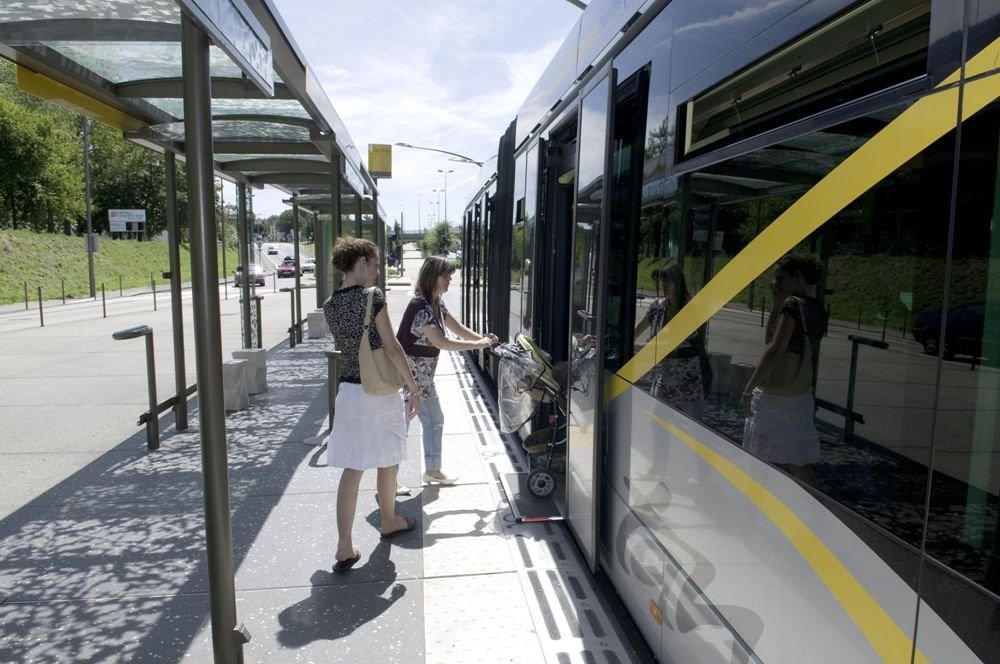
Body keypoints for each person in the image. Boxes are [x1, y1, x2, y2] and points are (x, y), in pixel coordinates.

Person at [324, 237, 422, 572]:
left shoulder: (331, 304)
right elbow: (392, 347)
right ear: (362, 261)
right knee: (387, 459)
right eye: (376, 264)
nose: (378, 271)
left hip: (349, 392)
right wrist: (413, 386)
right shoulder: (372, 297)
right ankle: (389, 520)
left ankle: (344, 545)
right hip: (379, 391)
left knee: (353, 468)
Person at [397, 256, 496, 485]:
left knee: (435, 420)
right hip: (405, 380)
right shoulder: (420, 306)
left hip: (423, 381)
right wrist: (478, 345)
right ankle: (388, 481)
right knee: (399, 430)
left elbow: (457, 328)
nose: (450, 280)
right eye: (446, 276)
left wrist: (483, 339)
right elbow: (442, 342)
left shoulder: (436, 303)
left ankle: (432, 469)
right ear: (433, 277)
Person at [741, 254, 828, 482]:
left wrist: (749, 388)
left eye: (781, 278)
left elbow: (774, 346)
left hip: (775, 396)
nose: (777, 283)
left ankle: (757, 504)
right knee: (796, 458)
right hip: (799, 395)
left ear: (797, 276)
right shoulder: (818, 308)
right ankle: (813, 506)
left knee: (759, 455)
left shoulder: (791, 305)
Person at [634, 263, 707, 420]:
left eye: (667, 282)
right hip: (667, 374)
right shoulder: (658, 307)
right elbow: (638, 330)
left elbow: (665, 345)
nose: (663, 286)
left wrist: (635, 346)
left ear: (678, 283)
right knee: (657, 421)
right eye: (661, 282)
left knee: (694, 427)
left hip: (689, 376)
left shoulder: (689, 309)